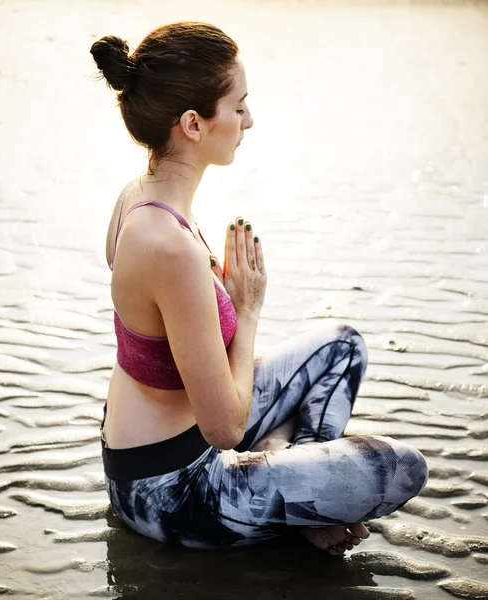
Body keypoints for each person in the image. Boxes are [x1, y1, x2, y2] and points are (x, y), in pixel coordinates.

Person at [90, 21, 428, 555]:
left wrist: (194, 305)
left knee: (342, 346)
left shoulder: (140, 194)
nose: (250, 120)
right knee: (402, 468)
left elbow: (124, 273)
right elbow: (223, 427)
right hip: (169, 492)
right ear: (193, 124)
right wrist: (244, 310)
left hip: (171, 446)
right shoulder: (167, 245)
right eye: (239, 106)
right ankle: (295, 482)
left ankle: (285, 462)